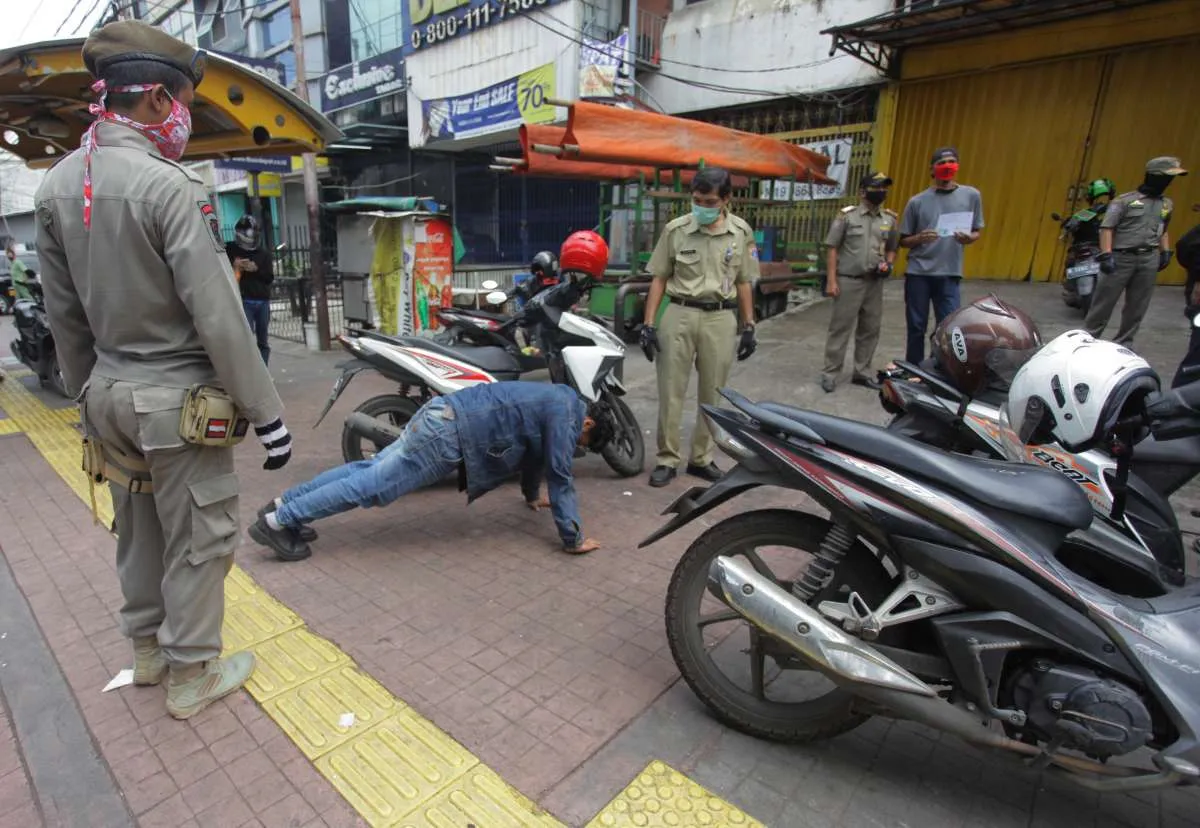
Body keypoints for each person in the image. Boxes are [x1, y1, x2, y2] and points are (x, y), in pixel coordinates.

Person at [33, 20, 292, 720]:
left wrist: (91, 392)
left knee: (138, 529)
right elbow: (218, 316)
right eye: (179, 101)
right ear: (152, 99)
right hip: (177, 405)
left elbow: (65, 319)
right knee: (201, 537)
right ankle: (190, 675)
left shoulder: (58, 184)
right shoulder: (167, 186)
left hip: (107, 397)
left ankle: (146, 652)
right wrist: (267, 415)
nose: (182, 116)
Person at [247, 382, 602, 560]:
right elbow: (559, 471)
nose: (576, 445)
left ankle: (282, 506)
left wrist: (530, 497)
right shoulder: (566, 413)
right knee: (371, 486)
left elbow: (536, 457)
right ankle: (278, 522)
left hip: (441, 414)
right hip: (449, 434)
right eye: (582, 440)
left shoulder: (558, 397)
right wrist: (573, 538)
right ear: (587, 422)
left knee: (365, 470)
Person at [638, 167, 758, 488]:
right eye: (696, 199)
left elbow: (745, 281)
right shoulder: (676, 230)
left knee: (713, 393)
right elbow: (659, 277)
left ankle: (701, 459)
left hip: (721, 318)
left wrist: (749, 325)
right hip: (679, 314)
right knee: (670, 390)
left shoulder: (741, 232)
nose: (701, 206)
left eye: (709, 201)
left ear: (726, 199)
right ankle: (667, 458)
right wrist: (648, 324)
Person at [1085, 156, 1188, 348]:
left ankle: (1124, 343)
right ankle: (1087, 341)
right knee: (1103, 303)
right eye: (1166, 177)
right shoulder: (1124, 201)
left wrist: (1165, 251)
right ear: (1154, 176)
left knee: (1137, 306)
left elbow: (1163, 229)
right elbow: (1107, 227)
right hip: (1120, 257)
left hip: (1148, 258)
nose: (1169, 182)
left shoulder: (1167, 204)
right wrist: (1106, 254)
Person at [898, 147, 984, 364]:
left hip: (949, 272)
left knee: (948, 327)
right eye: (942, 162)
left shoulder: (971, 196)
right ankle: (914, 368)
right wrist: (919, 238)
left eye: (951, 161)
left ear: (957, 166)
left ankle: (938, 367)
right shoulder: (917, 202)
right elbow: (903, 241)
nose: (947, 166)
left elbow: (977, 231)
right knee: (916, 326)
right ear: (932, 169)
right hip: (919, 273)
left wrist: (969, 238)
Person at [820, 171, 898, 393]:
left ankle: (861, 372)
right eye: (876, 187)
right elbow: (832, 248)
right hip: (848, 281)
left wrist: (888, 264)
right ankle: (830, 373)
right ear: (862, 192)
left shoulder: (889, 219)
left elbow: (892, 248)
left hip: (874, 283)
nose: (881, 192)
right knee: (840, 328)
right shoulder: (847, 217)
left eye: (884, 187)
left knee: (870, 328)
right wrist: (831, 280)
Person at [226, 214, 273, 364]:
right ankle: (249, 373)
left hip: (262, 301)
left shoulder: (263, 254)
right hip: (244, 300)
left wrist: (255, 269)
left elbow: (269, 278)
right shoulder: (231, 250)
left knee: (263, 341)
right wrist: (236, 267)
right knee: (246, 339)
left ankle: (264, 372)